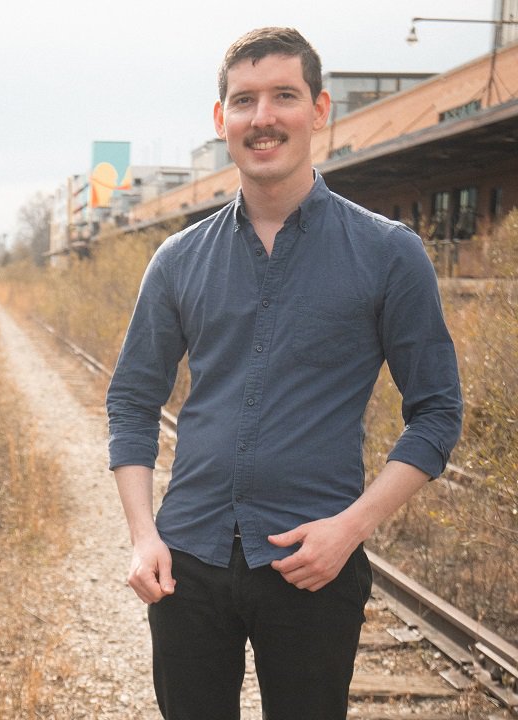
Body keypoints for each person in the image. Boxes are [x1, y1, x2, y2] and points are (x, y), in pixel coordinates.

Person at [106, 27, 462, 720]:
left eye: (284, 97)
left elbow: (438, 413)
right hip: (187, 562)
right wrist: (144, 536)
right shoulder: (178, 260)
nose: (262, 117)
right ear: (221, 121)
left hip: (314, 565)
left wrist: (351, 529)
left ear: (320, 110)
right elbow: (131, 399)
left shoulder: (390, 254)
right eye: (244, 101)